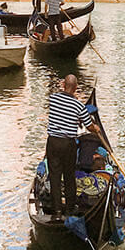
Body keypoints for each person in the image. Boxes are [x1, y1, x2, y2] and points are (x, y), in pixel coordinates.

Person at [45, 73, 91, 218]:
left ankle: (57, 212)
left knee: (55, 177)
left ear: (63, 85)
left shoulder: (53, 98)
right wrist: (96, 129)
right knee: (69, 176)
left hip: (53, 142)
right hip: (68, 144)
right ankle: (70, 209)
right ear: (76, 88)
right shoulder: (79, 106)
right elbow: (89, 125)